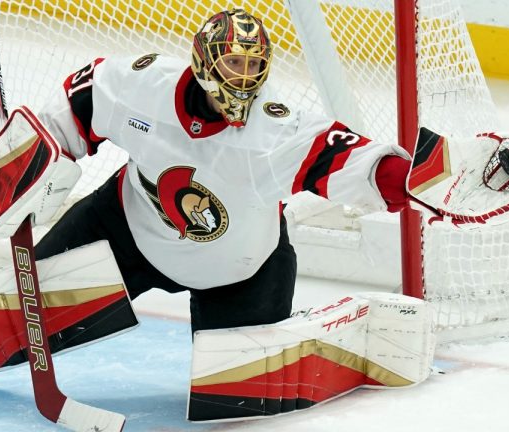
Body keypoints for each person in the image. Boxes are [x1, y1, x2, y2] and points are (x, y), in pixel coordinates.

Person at [34, 8, 412, 334]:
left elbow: (353, 161)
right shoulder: (141, 87)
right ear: (204, 62)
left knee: (240, 400)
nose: (244, 78)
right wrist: (15, 183)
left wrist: (416, 180)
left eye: (253, 66)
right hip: (125, 233)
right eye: (234, 63)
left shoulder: (274, 129)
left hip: (240, 273)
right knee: (19, 317)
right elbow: (63, 119)